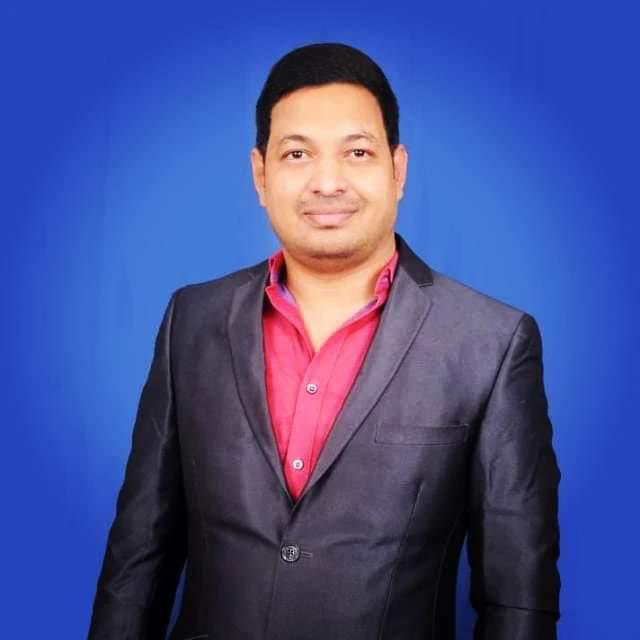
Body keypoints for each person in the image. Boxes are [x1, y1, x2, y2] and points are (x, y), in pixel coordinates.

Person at [88, 43, 560, 640]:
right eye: (297, 154)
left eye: (357, 152)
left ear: (398, 170)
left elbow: (518, 600)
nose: (328, 182)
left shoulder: (490, 342)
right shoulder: (192, 319)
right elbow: (138, 558)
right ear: (261, 175)